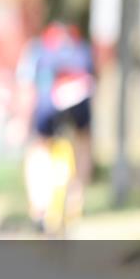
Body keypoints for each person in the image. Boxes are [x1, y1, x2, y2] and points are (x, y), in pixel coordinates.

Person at [15, 21, 96, 231]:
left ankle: (39, 206)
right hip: (79, 103)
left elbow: (26, 87)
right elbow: (94, 83)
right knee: (83, 141)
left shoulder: (37, 50)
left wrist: (22, 122)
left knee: (39, 147)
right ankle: (77, 198)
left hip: (47, 103)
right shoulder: (83, 50)